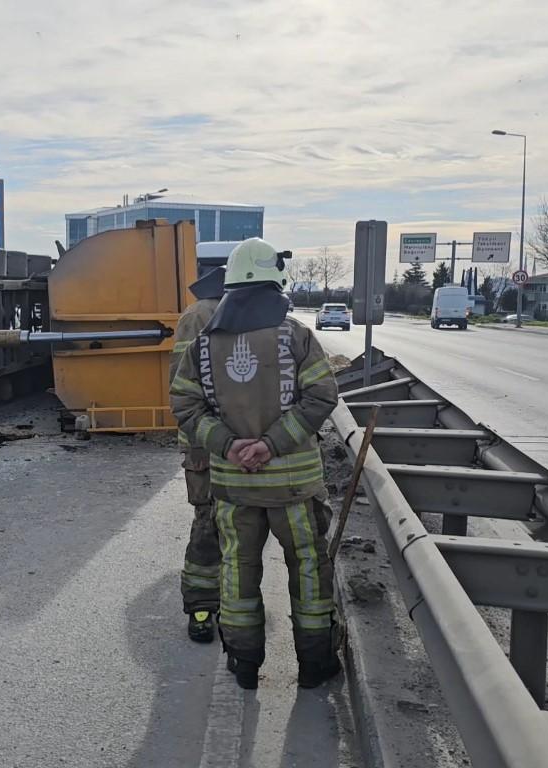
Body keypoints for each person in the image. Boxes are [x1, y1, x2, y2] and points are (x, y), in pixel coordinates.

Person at [169, 238, 340, 690]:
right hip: (295, 490)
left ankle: (244, 665)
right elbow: (322, 396)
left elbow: (184, 406)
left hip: (233, 488)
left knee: (238, 570)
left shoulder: (202, 346)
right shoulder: (296, 335)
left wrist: (229, 446)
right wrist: (271, 444)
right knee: (308, 568)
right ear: (276, 280)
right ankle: (314, 664)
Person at [169, 266, 227, 643]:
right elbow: (182, 385)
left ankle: (230, 604)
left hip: (242, 442)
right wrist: (200, 440)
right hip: (207, 440)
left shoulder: (248, 310)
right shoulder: (200, 315)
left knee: (234, 526)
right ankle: (203, 607)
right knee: (209, 522)